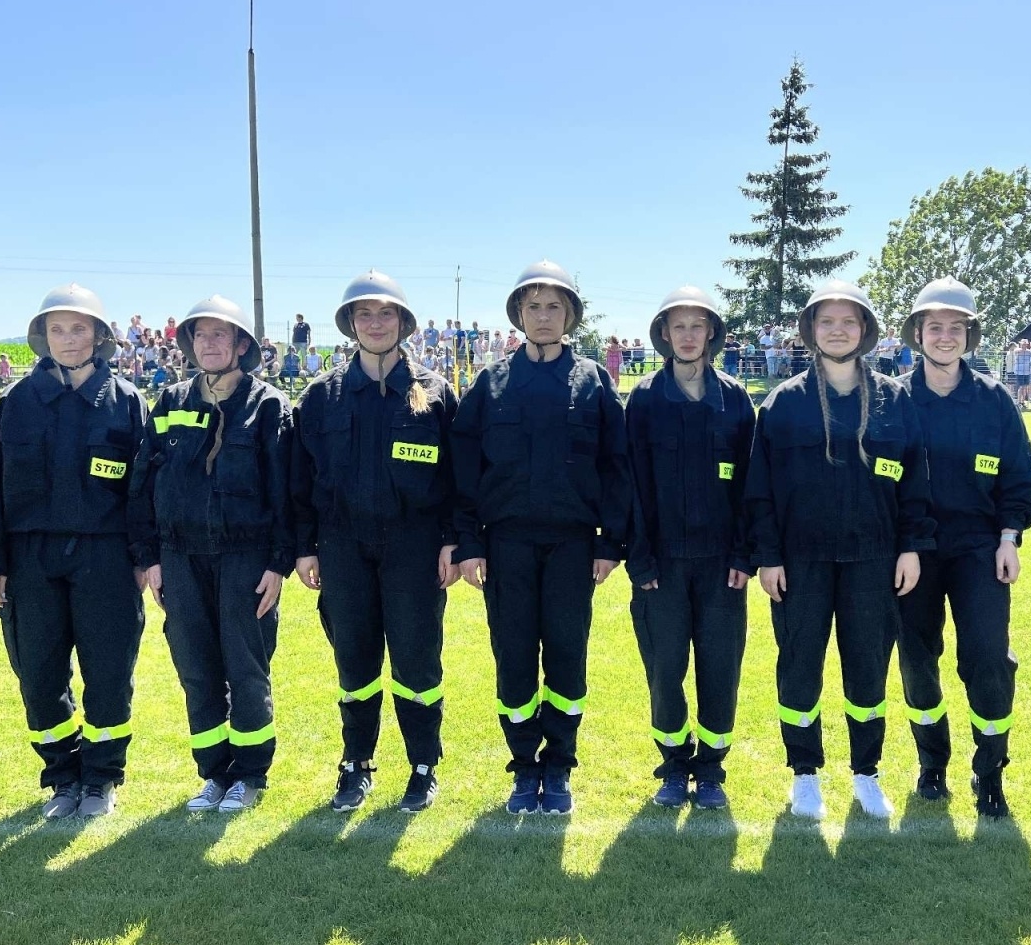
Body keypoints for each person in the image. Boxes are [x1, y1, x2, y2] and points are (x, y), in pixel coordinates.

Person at [746, 279, 936, 821]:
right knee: (799, 666)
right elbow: (760, 489)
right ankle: (804, 774)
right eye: (826, 321)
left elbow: (914, 482)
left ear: (865, 331)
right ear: (811, 330)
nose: (837, 330)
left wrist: (910, 547)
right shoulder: (783, 403)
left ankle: (866, 772)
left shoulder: (895, 400)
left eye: (848, 322)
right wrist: (770, 556)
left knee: (868, 670)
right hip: (801, 561)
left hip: (874, 559)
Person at [452, 260, 629, 815]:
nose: (545, 316)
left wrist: (609, 543)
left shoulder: (593, 380)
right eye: (534, 306)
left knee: (568, 658)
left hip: (573, 546)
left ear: (570, 315)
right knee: (513, 658)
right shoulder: (492, 381)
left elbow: (616, 465)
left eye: (555, 306)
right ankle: (524, 766)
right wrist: (469, 543)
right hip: (506, 545)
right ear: (519, 315)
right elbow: (464, 466)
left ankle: (560, 767)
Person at [0, 285, 148, 818]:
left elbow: (144, 488)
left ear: (98, 335)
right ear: (42, 338)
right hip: (31, 561)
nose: (68, 339)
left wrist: (143, 556)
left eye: (79, 328)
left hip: (106, 559)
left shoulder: (126, 401)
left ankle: (101, 780)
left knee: (109, 671)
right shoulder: (15, 403)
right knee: (40, 673)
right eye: (57, 329)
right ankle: (62, 778)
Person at [292, 272, 459, 813]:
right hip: (343, 547)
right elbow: (300, 480)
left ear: (404, 323)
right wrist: (305, 546)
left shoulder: (434, 392)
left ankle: (423, 765)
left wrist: (453, 541)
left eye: (386, 313)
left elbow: (457, 477)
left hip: (414, 547)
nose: (376, 323)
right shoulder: (322, 396)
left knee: (416, 663)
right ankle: (356, 763)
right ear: (350, 325)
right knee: (355, 663)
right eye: (364, 314)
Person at [129, 296, 294, 812]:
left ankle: (249, 775)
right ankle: (214, 775)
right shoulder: (171, 402)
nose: (211, 344)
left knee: (246, 667)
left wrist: (277, 563)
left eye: (222, 335)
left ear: (242, 345)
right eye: (202, 335)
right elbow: (143, 483)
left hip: (245, 558)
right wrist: (150, 557)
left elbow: (287, 491)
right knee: (196, 668)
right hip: (179, 559)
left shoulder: (267, 405)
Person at [893, 278, 1031, 818]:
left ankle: (990, 769)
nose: (945, 337)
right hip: (914, 553)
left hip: (980, 548)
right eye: (935, 327)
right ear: (918, 334)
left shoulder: (995, 400)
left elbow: (1020, 477)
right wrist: (903, 542)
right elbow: (883, 479)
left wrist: (1009, 537)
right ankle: (932, 762)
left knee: (986, 658)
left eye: (956, 328)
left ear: (969, 336)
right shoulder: (895, 399)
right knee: (916, 658)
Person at [626, 287, 756, 810]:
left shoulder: (736, 399)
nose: (687, 335)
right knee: (665, 668)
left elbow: (753, 485)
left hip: (723, 568)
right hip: (662, 567)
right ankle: (675, 765)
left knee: (720, 668)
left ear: (711, 334)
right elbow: (629, 483)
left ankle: (712, 769)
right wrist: (640, 557)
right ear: (663, 335)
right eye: (677, 326)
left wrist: (744, 555)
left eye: (696, 326)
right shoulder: (645, 400)